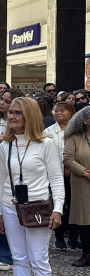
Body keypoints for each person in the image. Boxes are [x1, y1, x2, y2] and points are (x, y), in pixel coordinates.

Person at [0, 97, 64, 276]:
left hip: (38, 208)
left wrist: (58, 209)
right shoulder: (5, 146)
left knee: (39, 259)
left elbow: (56, 179)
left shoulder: (46, 144)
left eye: (17, 113)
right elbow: (1, 180)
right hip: (10, 206)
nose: (11, 116)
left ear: (30, 116)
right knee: (19, 258)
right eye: (10, 112)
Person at [0, 88, 25, 272]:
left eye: (7, 101)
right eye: (2, 99)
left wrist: (0, 139)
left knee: (2, 209)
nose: (2, 103)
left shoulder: (16, 123)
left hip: (6, 167)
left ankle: (5, 255)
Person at [44, 102, 78, 250]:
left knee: (74, 206)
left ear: (71, 113)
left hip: (76, 175)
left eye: (62, 111)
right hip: (56, 175)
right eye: (56, 111)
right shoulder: (49, 132)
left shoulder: (78, 131)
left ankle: (73, 237)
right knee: (58, 205)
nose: (58, 113)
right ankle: (59, 237)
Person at [64, 106, 90, 267]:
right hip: (82, 183)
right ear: (85, 121)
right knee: (85, 219)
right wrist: (84, 172)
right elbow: (67, 158)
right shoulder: (74, 138)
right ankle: (87, 253)